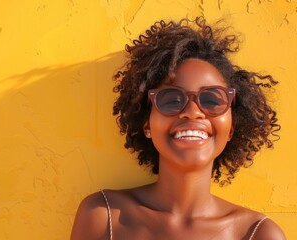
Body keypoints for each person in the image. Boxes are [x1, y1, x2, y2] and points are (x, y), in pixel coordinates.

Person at [70, 16, 285, 240]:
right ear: (147, 124)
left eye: (212, 100)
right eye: (171, 99)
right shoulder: (103, 216)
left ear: (231, 128)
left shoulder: (258, 234)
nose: (192, 112)